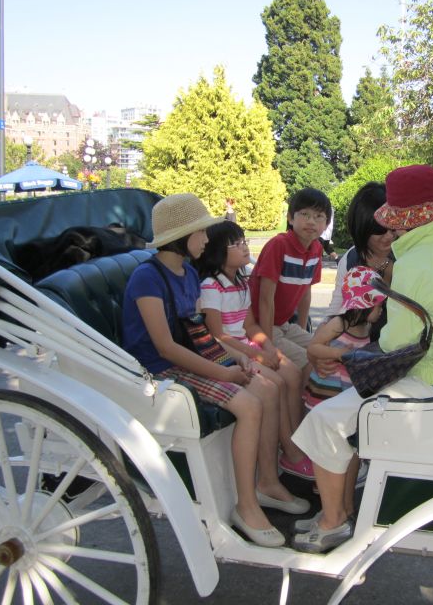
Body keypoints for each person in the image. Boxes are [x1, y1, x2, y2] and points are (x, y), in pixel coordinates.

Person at [291, 164, 433, 553]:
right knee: (340, 410)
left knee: (323, 419)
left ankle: (333, 520)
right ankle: (343, 509)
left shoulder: (416, 263)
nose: (394, 231)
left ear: (407, 220)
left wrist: (346, 348)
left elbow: (396, 345)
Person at [122, 194, 308, 549]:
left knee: (268, 388)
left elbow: (199, 333)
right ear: (181, 236)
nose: (207, 240)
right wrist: (224, 373)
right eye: (200, 232)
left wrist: (237, 359)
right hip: (158, 370)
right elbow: (165, 347)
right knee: (250, 404)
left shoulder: (187, 272)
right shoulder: (148, 278)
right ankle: (246, 505)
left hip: (190, 357)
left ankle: (267, 481)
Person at [195, 220, 314, 479]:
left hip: (248, 345)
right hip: (229, 351)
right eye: (236, 244)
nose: (244, 247)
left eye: (244, 241)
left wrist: (269, 347)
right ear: (217, 252)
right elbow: (219, 335)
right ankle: (291, 452)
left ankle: (294, 440)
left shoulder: (240, 282)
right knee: (278, 384)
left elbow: (250, 324)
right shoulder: (211, 287)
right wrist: (257, 355)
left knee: (293, 373)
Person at [251, 187, 331, 369]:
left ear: (326, 224)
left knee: (324, 351)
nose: (311, 221)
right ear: (290, 217)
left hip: (286, 325)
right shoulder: (278, 245)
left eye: (319, 216)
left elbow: (305, 294)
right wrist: (267, 343)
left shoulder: (316, 248)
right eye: (305, 214)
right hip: (262, 327)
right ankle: (302, 398)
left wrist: (301, 330)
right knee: (309, 362)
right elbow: (265, 298)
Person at [304, 266, 386, 410]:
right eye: (379, 306)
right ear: (364, 305)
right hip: (326, 392)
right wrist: (338, 353)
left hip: (345, 391)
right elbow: (313, 346)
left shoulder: (366, 327)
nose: (381, 311)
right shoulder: (339, 323)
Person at [325, 182, 396, 333]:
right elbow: (337, 307)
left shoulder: (406, 257)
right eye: (380, 230)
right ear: (363, 227)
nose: (390, 236)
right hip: (361, 347)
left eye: (393, 227)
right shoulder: (351, 259)